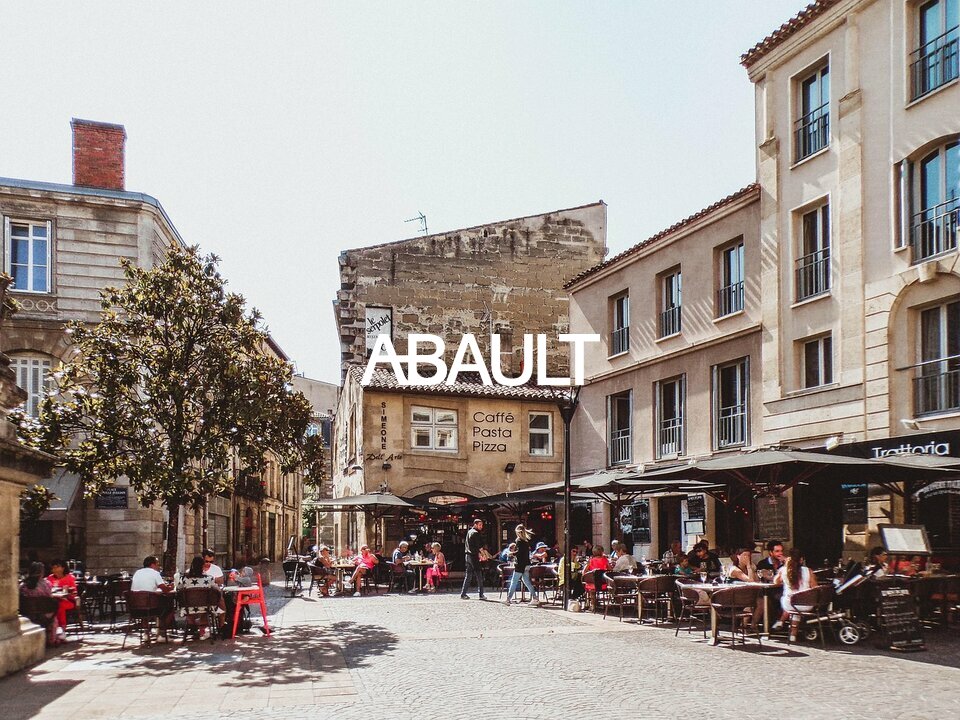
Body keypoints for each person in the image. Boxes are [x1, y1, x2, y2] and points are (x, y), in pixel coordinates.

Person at [177, 555, 225, 640]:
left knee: (195, 605)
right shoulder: (208, 578)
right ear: (203, 566)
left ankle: (193, 626)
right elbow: (216, 590)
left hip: (188, 607)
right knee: (208, 604)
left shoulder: (184, 578)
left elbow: (178, 589)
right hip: (206, 607)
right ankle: (214, 628)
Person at [774, 548, 816, 642]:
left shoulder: (784, 570)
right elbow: (814, 588)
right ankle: (793, 634)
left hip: (790, 604)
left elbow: (776, 581)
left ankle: (781, 622)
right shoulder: (808, 571)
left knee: (790, 604)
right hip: (807, 605)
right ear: (801, 560)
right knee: (796, 608)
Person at [130, 555, 176, 639]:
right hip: (151, 607)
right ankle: (161, 633)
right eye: (157, 564)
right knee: (170, 607)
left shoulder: (137, 573)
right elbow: (165, 589)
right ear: (152, 564)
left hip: (135, 607)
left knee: (146, 604)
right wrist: (172, 586)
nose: (159, 566)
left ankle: (146, 633)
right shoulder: (155, 573)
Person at [20, 562, 59, 645]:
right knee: (54, 613)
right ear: (42, 572)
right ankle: (51, 639)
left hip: (27, 613)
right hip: (44, 613)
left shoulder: (23, 585)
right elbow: (49, 597)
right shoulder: (46, 584)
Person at [505, 524, 540, 607]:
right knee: (527, 582)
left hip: (520, 565)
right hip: (527, 564)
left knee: (514, 581)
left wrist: (511, 553)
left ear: (518, 532)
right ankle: (535, 598)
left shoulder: (519, 541)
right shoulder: (526, 542)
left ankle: (508, 599)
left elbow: (519, 553)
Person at [46, 559, 78, 640]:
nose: (55, 569)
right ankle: (53, 628)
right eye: (53, 567)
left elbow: (74, 592)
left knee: (59, 606)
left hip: (68, 601)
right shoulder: (49, 578)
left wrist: (68, 592)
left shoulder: (70, 577)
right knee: (52, 606)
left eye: (57, 567)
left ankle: (62, 628)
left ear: (63, 568)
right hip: (53, 600)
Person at [461, 518, 487, 600]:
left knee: (468, 575)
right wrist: (484, 555)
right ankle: (481, 594)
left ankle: (463, 594)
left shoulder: (469, 532)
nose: (481, 526)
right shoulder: (475, 533)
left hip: (468, 556)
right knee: (479, 575)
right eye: (480, 525)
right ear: (475, 525)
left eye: (482, 525)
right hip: (473, 556)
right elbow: (479, 547)